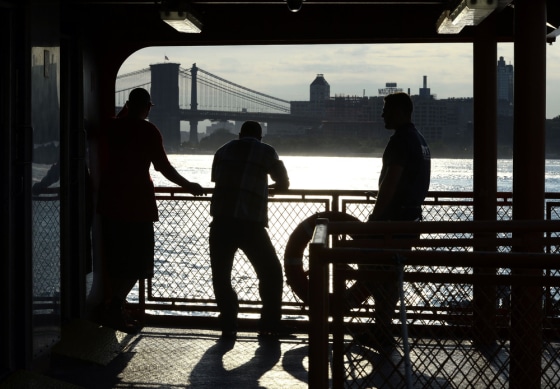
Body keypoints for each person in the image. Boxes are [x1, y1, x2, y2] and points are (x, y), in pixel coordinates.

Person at [96, 87, 205, 333]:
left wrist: (124, 112)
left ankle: (115, 307)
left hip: (110, 200)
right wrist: (188, 185)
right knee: (139, 261)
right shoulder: (148, 131)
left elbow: (99, 126)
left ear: (128, 104)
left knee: (115, 258)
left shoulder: (112, 126)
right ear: (146, 108)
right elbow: (162, 167)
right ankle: (116, 306)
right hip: (138, 204)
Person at [352, 92, 431, 350]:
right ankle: (382, 329)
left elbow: (390, 182)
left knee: (378, 274)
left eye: (386, 109)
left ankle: (382, 330)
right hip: (411, 219)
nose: (382, 114)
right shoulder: (420, 140)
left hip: (392, 222)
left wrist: (375, 219)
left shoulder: (399, 141)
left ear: (399, 110)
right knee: (389, 275)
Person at [209, 120, 291, 341]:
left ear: (239, 134)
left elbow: (217, 179)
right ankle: (269, 325)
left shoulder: (222, 150)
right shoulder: (267, 151)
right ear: (260, 137)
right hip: (250, 223)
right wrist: (263, 189)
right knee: (271, 273)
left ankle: (229, 322)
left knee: (222, 275)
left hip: (221, 222)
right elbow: (283, 184)